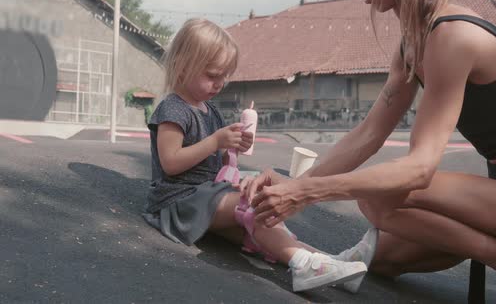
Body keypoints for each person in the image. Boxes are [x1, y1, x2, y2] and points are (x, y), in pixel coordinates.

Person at [243, 0, 496, 303]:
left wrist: (305, 193)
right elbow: (368, 135)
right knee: (378, 260)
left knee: (378, 200)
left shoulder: (453, 35)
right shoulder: (412, 42)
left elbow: (420, 168)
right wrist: (291, 186)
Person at [142, 18, 367, 293]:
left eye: (225, 76)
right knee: (256, 206)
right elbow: (172, 163)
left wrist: (231, 150)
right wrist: (215, 141)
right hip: (180, 200)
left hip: (205, 195)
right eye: (212, 75)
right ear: (182, 66)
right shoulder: (173, 110)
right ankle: (305, 264)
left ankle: (327, 262)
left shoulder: (209, 110)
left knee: (260, 221)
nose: (219, 84)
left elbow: (215, 162)